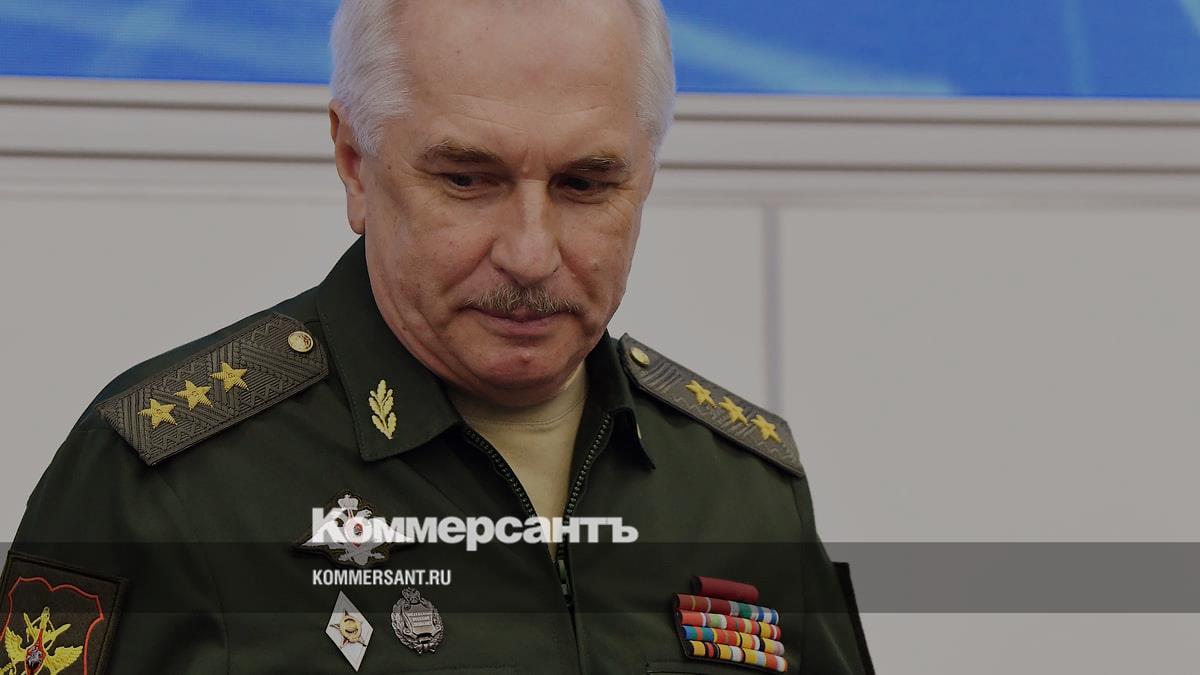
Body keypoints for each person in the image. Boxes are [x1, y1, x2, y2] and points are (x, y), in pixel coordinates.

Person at [1, 1, 873, 673]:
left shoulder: (742, 491)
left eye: (584, 184)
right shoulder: (167, 483)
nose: (530, 253)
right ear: (355, 163)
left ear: (645, 173)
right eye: (467, 179)